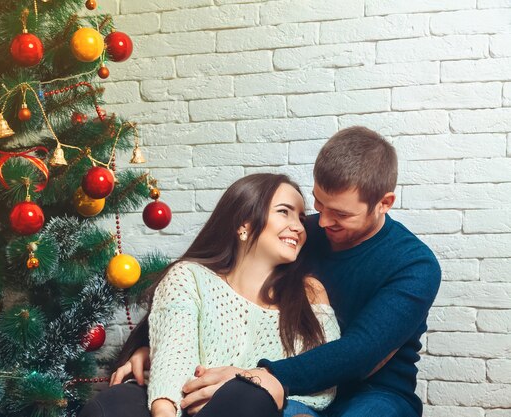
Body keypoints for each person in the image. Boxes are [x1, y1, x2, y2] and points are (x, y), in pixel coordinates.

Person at [104, 126, 441, 417]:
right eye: (319, 204)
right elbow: (210, 280)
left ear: (384, 204)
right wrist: (155, 346)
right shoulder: (297, 234)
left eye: (340, 214)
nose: (321, 222)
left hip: (371, 390)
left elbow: (362, 353)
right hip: (287, 383)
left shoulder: (414, 266)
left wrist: (260, 375)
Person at [78, 173, 341, 417]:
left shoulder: (309, 293)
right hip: (180, 402)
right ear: (243, 224)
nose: (298, 227)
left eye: (301, 219)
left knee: (248, 396)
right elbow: (173, 362)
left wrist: (254, 380)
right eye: (284, 212)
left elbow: (323, 385)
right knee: (112, 405)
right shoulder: (190, 277)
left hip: (253, 409)